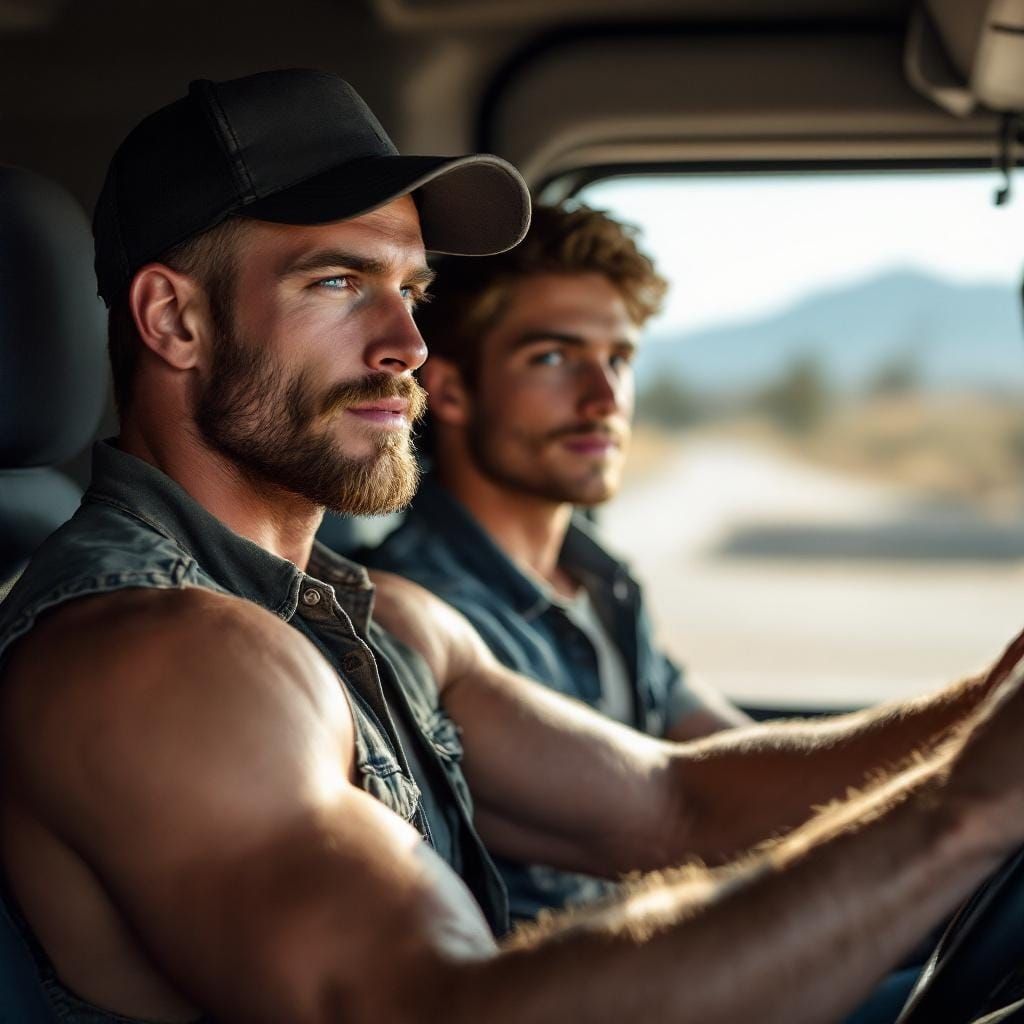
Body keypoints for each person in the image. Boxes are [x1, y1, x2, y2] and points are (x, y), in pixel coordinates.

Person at [1, 68, 1024, 1024]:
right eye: (339, 282)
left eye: (411, 290)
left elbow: (675, 804)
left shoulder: (382, 620)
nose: (408, 345)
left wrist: (997, 699)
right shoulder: (150, 662)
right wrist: (962, 817)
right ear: (174, 320)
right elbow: (436, 1006)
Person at [363, 203, 750, 919]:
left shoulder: (600, 580)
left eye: (619, 360)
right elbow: (683, 810)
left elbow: (736, 756)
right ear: (450, 390)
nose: (604, 399)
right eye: (552, 357)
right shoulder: (415, 614)